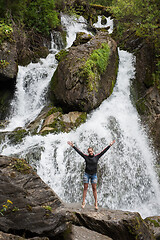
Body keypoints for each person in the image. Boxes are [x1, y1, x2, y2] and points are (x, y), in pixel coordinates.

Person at [67, 140, 115, 210]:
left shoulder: (97, 157)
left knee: (94, 188)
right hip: (86, 174)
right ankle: (83, 202)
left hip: (94, 175)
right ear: (88, 152)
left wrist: (110, 145)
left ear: (93, 151)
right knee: (85, 188)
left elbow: (103, 152)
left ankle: (96, 203)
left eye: (91, 151)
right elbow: (79, 152)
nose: (90, 152)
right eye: (89, 151)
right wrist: (73, 146)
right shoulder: (86, 157)